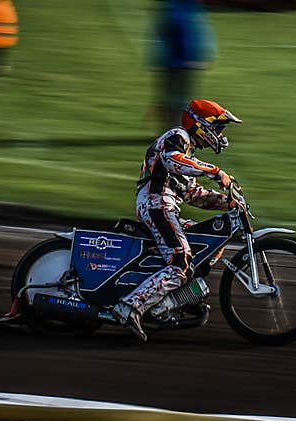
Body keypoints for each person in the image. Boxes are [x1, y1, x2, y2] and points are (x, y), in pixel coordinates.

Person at [112, 99, 242, 342]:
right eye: (218, 128)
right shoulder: (178, 136)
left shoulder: (188, 151)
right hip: (156, 204)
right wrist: (214, 171)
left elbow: (193, 194)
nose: (220, 135)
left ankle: (172, 301)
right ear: (201, 124)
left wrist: (228, 202)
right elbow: (172, 159)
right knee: (181, 262)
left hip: (165, 207)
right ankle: (130, 307)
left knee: (205, 240)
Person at [150, 0, 218, 129]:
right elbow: (197, 32)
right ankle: (172, 130)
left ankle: (175, 130)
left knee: (178, 100)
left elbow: (199, 32)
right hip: (176, 62)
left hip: (182, 62)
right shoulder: (180, 7)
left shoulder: (184, 6)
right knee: (175, 100)